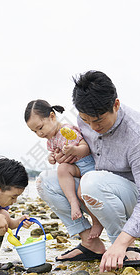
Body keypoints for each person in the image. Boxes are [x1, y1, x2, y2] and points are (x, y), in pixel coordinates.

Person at [36, 71, 140, 272]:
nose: (92, 127)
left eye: (98, 121)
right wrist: (66, 157)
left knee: (91, 182)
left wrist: (121, 243)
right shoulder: (83, 120)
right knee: (45, 181)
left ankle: (122, 245)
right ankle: (91, 244)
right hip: (96, 190)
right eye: (85, 120)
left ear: (116, 105)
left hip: (134, 201)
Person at [24, 100, 103, 239]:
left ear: (52, 117)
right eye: (34, 131)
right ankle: (73, 202)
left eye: (40, 127)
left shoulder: (67, 131)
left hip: (89, 166)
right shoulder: (51, 139)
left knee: (82, 192)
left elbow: (85, 148)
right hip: (76, 169)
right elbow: (54, 152)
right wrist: (52, 157)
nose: (39, 133)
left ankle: (97, 222)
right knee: (62, 169)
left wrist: (74, 150)